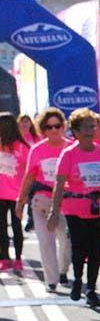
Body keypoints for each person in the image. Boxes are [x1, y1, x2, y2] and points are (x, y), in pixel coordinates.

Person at [48, 108, 100, 306]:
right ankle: (78, 279)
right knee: (79, 247)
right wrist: (53, 212)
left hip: (98, 209)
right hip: (75, 209)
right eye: (86, 127)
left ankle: (91, 288)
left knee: (95, 250)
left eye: (93, 126)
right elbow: (58, 184)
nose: (91, 130)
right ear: (76, 131)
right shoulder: (69, 154)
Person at [16, 108, 71, 291]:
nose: (54, 130)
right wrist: (20, 200)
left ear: (63, 127)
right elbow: (29, 176)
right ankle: (51, 280)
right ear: (43, 129)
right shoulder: (37, 150)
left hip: (66, 202)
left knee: (66, 241)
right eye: (49, 127)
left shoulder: (71, 147)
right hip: (42, 200)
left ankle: (63, 271)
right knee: (46, 242)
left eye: (57, 126)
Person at [0, 113, 29, 274]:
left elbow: (28, 171)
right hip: (0, 194)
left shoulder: (22, 147)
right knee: (1, 227)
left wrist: (25, 193)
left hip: (17, 194)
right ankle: (4, 257)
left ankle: (18, 258)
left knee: (17, 227)